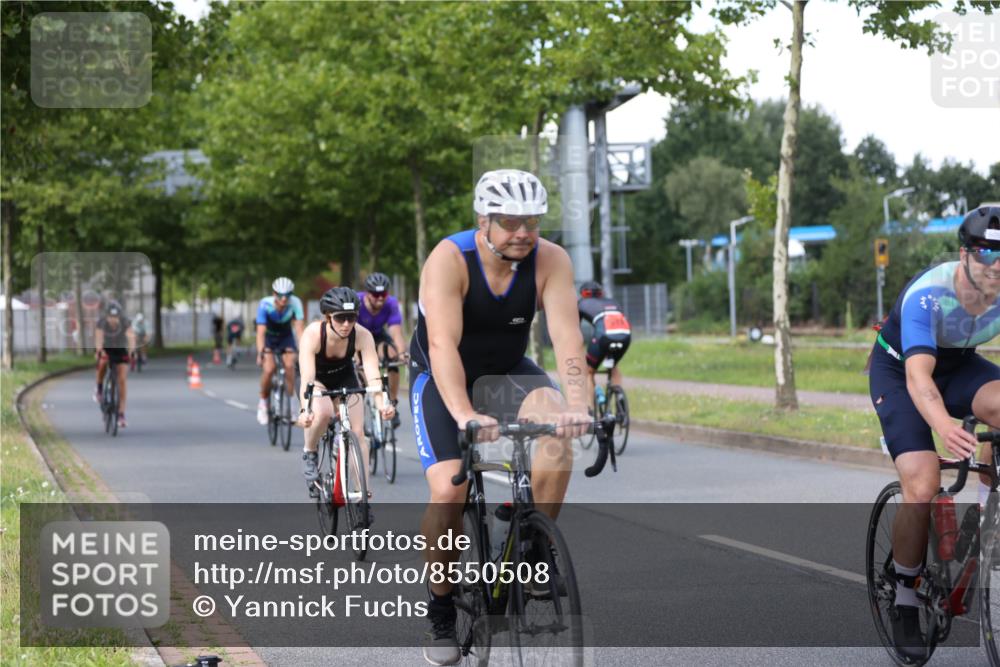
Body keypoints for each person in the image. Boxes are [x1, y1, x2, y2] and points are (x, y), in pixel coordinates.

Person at [409, 168, 590, 665]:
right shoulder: (450, 259)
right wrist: (466, 413)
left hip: (509, 371)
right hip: (445, 376)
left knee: (556, 431)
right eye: (510, 222)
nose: (523, 233)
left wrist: (578, 403)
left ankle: (531, 548)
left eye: (531, 221)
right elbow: (443, 344)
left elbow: (568, 339)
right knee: (449, 490)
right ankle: (442, 608)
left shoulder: (551, 260)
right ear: (482, 221)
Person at [869, 203, 1000, 658]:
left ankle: (990, 515)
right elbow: (919, 380)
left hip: (961, 364)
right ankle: (905, 596)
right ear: (964, 254)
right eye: (986, 252)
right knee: (923, 482)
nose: (996, 264)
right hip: (902, 371)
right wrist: (944, 424)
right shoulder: (929, 294)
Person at [298, 287, 395, 498]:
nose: (346, 324)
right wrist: (305, 409)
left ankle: (362, 497)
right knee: (323, 414)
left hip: (345, 377)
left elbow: (373, 376)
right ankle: (309, 451)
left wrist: (382, 405)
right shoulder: (313, 334)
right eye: (340, 318)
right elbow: (307, 378)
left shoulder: (362, 335)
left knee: (359, 434)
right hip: (319, 379)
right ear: (328, 317)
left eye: (351, 318)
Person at [356, 272, 408, 426]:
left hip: (378, 336)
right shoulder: (357, 302)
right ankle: (361, 414)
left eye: (383, 294)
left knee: (391, 356)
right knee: (360, 366)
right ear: (367, 293)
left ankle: (392, 402)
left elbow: (396, 332)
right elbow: (350, 332)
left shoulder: (391, 303)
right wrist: (354, 356)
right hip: (357, 337)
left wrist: (402, 353)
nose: (380, 298)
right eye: (376, 294)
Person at [255, 277, 305, 425]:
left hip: (286, 337)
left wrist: (303, 352)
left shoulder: (295, 303)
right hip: (269, 338)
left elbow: (299, 329)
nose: (284, 299)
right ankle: (263, 403)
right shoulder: (265, 304)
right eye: (280, 295)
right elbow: (260, 332)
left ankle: (292, 405)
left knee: (290, 366)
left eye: (287, 295)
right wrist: (260, 352)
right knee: (269, 369)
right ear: (274, 293)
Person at [578, 280, 632, 406]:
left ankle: (590, 410)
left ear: (583, 294)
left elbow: (575, 329)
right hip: (625, 335)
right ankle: (619, 398)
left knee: (589, 372)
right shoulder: (613, 302)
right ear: (601, 293)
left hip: (603, 336)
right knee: (613, 366)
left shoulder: (581, 303)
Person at [94, 301, 136, 429]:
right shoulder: (101, 323)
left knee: (122, 379)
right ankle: (100, 388)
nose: (113, 320)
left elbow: (131, 337)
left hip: (120, 349)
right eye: (111, 317)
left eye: (115, 317)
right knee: (102, 362)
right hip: (107, 348)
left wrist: (132, 352)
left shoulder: (125, 322)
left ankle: (121, 414)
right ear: (106, 316)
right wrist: (99, 351)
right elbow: (99, 339)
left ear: (119, 316)